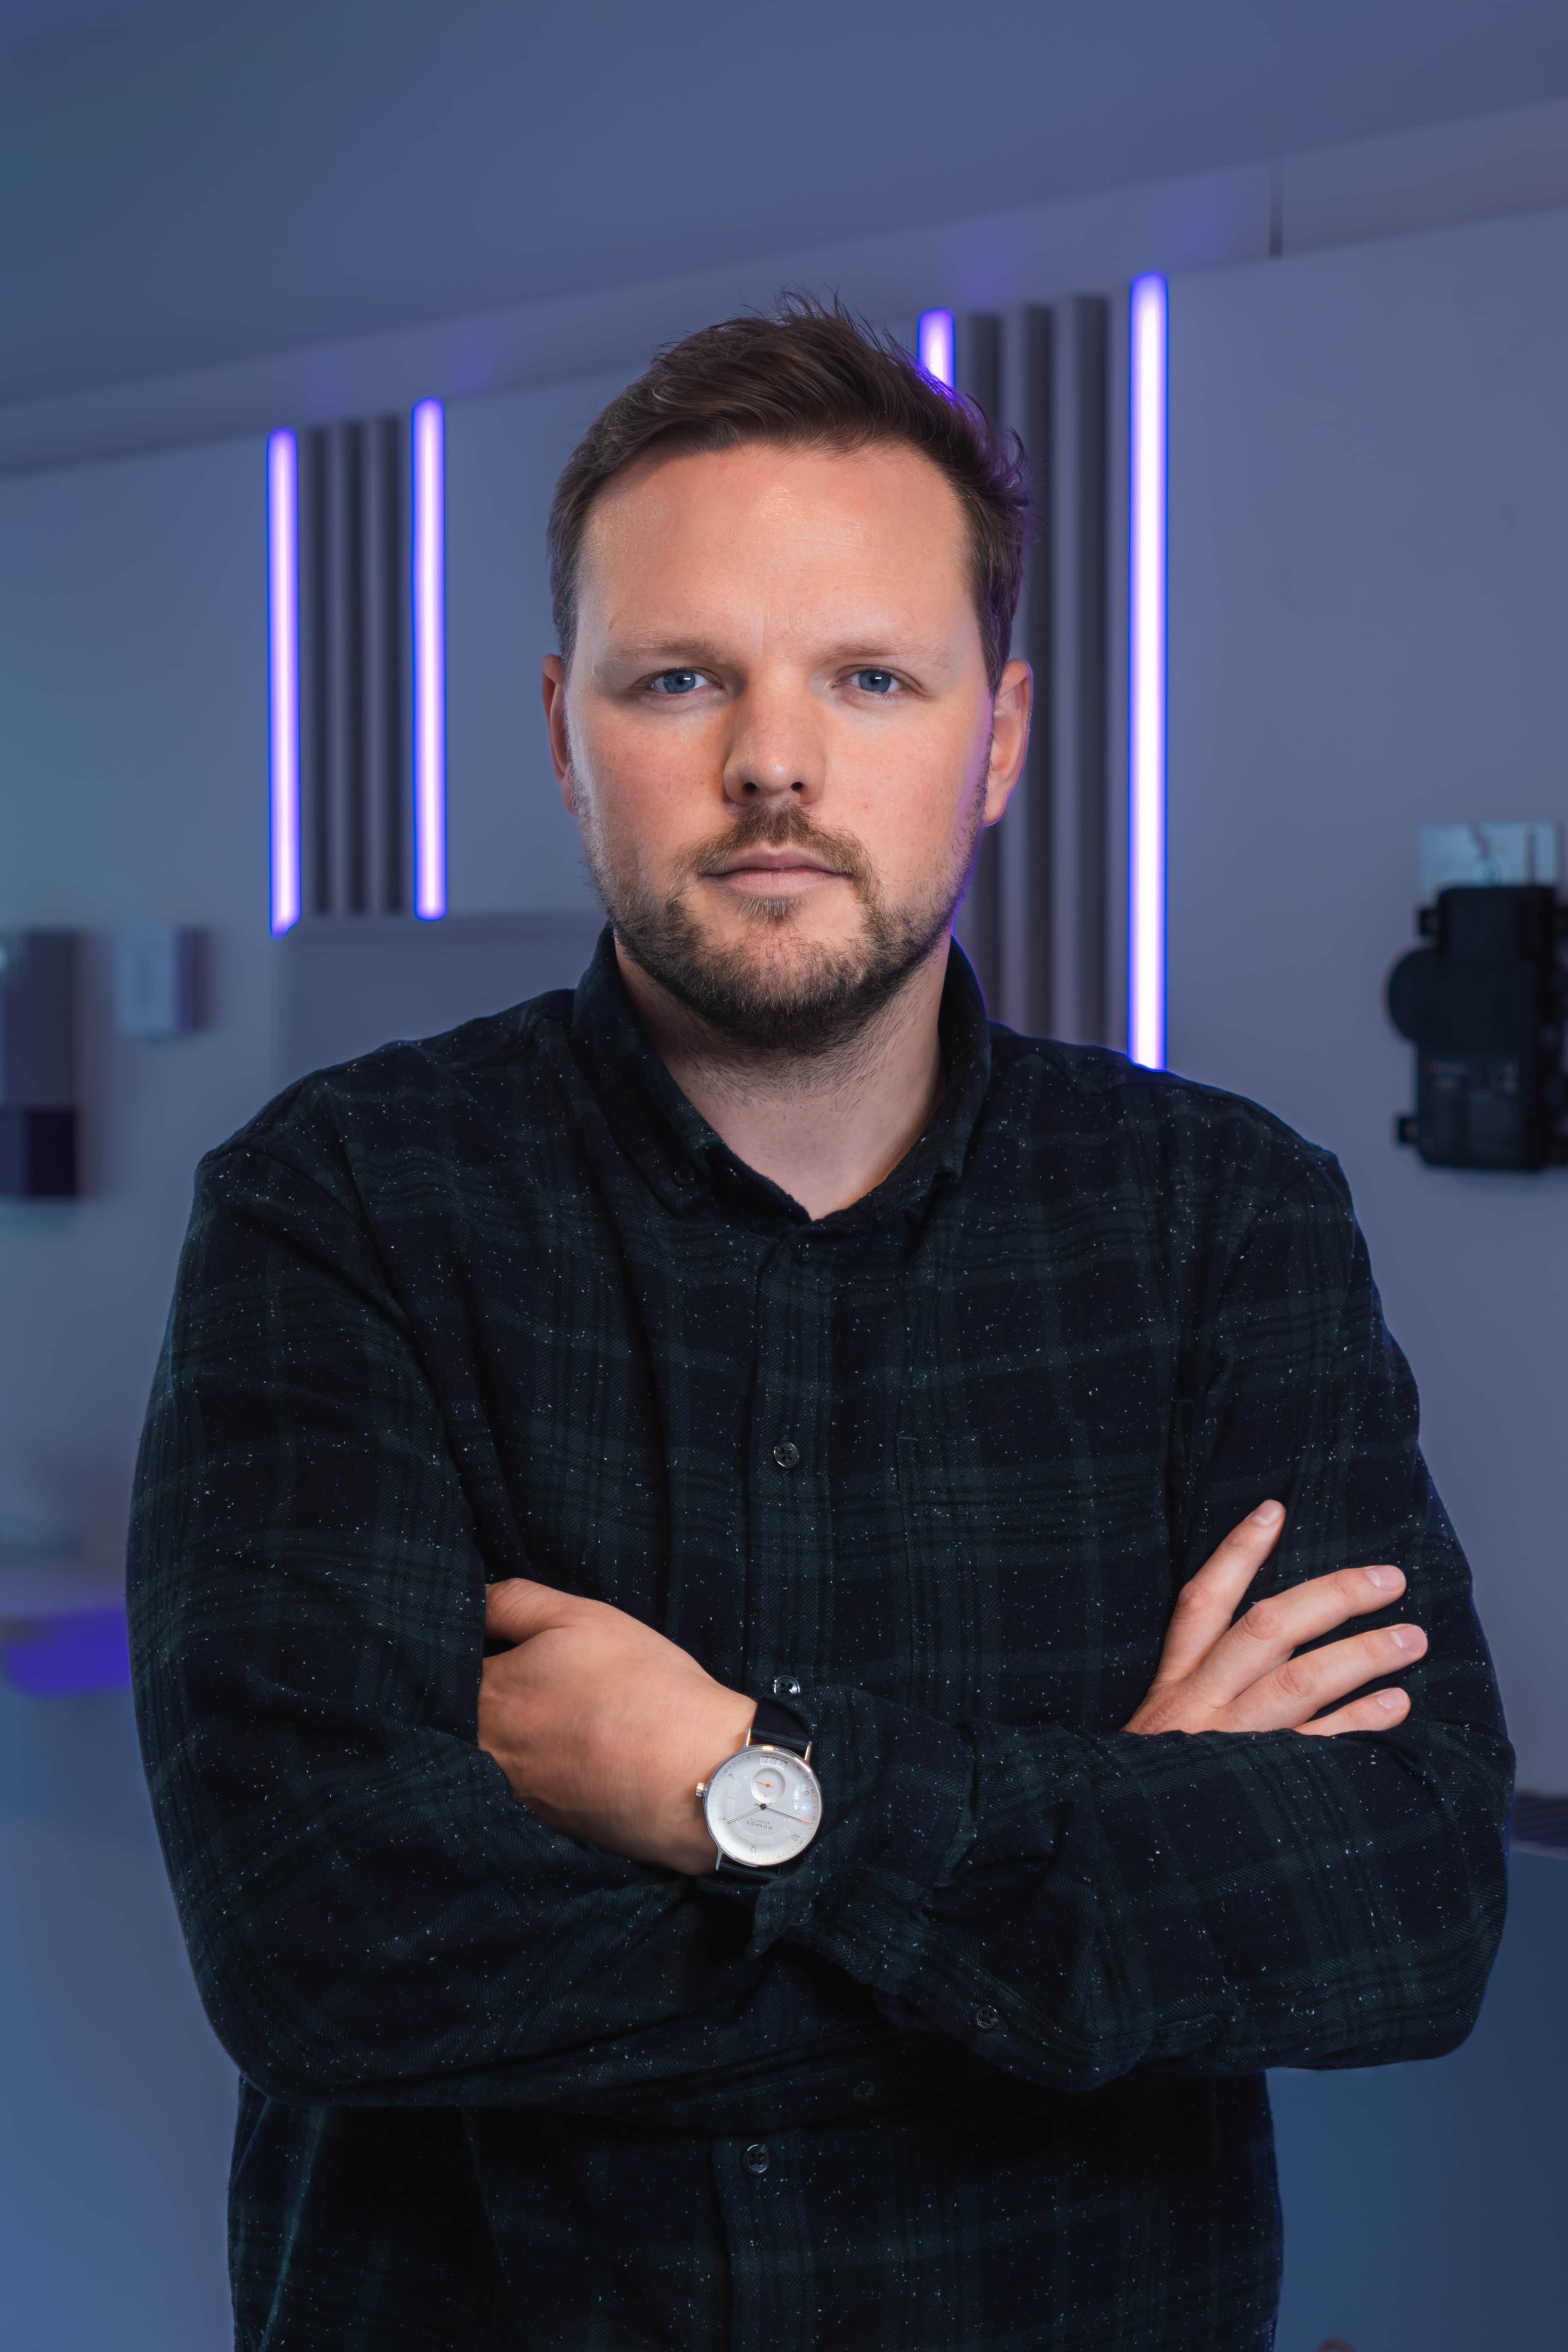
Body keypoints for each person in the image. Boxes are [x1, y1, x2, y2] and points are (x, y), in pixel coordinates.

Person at [129, 298, 1511, 2352]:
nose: (773, 761)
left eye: (871, 676)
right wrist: (1095, 1876)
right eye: (682, 676)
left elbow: (1403, 1905)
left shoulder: (1224, 1219)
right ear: (563, 730)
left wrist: (738, 1782)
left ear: (1000, 736)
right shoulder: (339, 1205)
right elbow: (331, 1953)